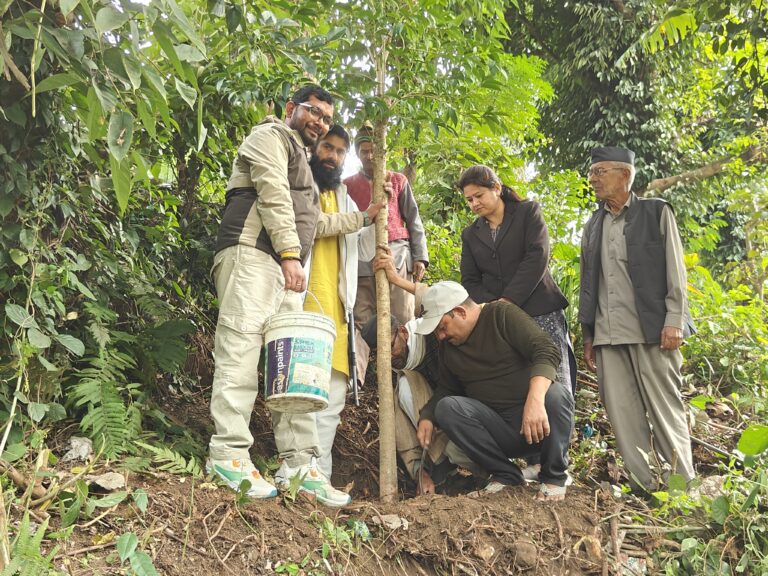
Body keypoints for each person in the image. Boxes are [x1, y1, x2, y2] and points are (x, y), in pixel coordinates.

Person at [207, 85, 384, 507]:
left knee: (290, 369)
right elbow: (270, 194)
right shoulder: (268, 136)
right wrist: (290, 254)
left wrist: (362, 218)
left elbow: (314, 223)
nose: (319, 121)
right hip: (252, 255)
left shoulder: (302, 163)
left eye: (325, 117)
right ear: (291, 109)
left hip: (282, 268)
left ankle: (300, 467)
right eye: (313, 112)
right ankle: (228, 454)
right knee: (241, 351)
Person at [579, 146, 696, 492]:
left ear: (625, 175)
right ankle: (645, 489)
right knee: (623, 418)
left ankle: (683, 493)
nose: (593, 179)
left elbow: (676, 271)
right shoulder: (592, 225)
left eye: (601, 172)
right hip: (608, 337)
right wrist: (589, 335)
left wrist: (674, 319)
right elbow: (589, 283)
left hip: (653, 331)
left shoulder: (655, 212)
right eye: (592, 172)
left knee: (665, 412)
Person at [458, 164, 576, 482]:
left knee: (553, 383)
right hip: (501, 322)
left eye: (479, 195)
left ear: (496, 187)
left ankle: (558, 462)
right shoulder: (471, 234)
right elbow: (470, 280)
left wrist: (509, 301)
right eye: (469, 200)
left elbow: (537, 256)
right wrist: (497, 308)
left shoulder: (527, 212)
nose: (474, 204)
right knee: (522, 383)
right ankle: (535, 461)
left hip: (541, 309)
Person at [412, 281, 574, 501]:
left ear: (460, 312)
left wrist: (535, 400)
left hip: (539, 423)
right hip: (498, 431)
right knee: (446, 408)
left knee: (556, 395)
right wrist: (428, 417)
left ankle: (554, 477)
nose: (440, 336)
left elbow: (545, 349)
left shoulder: (501, 314)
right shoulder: (449, 349)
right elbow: (447, 390)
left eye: (442, 327)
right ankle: (506, 475)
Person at [360, 266, 484, 495]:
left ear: (403, 333)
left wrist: (397, 279)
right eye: (379, 353)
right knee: (406, 386)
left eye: (390, 347)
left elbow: (440, 296)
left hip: (473, 419)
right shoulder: (398, 374)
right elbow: (401, 430)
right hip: (440, 434)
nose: (387, 358)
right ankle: (441, 474)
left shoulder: (434, 333)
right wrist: (419, 472)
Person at [344, 124, 429, 328]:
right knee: (361, 320)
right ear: (357, 154)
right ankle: (363, 359)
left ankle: (405, 359)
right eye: (364, 151)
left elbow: (413, 219)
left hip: (397, 255)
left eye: (374, 150)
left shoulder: (398, 180)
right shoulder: (346, 185)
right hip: (361, 260)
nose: (370, 156)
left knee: (402, 316)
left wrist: (420, 257)